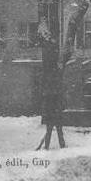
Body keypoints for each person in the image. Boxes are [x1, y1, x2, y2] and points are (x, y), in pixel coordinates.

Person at [35, 17, 66, 150]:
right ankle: (59, 145)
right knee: (57, 130)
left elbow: (49, 102)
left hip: (52, 111)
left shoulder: (50, 89)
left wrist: (48, 113)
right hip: (55, 112)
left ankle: (49, 146)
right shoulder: (55, 87)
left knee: (52, 130)